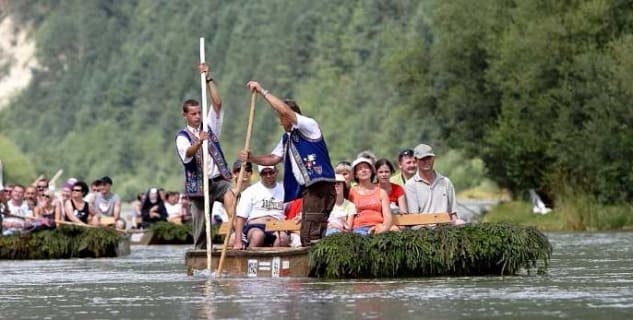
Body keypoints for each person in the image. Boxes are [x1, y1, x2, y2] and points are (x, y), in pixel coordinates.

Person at [240, 81, 336, 247]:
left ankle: (314, 264)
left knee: (311, 232)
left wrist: (262, 91)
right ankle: (312, 263)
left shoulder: (309, 126)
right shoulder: (287, 139)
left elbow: (285, 110)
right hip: (309, 189)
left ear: (289, 116)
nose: (280, 121)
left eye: (281, 118)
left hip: (319, 184)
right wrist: (252, 158)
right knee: (309, 231)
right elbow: (273, 158)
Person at [175, 62, 236, 250]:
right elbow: (187, 154)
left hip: (218, 180)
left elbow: (217, 104)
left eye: (199, 112)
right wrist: (199, 142)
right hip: (199, 186)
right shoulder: (182, 136)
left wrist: (208, 79)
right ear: (185, 115)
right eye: (193, 114)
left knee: (230, 195)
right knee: (201, 225)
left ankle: (238, 236)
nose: (197, 116)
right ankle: (201, 253)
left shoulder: (209, 126)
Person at [404, 144, 463, 224]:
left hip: (446, 227)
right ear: (416, 160)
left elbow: (453, 213)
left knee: (460, 222)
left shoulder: (446, 182)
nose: (426, 161)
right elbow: (414, 217)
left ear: (433, 159)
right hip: (421, 228)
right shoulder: (410, 185)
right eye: (422, 159)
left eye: (428, 158)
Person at [233, 165, 287, 248]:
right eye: (264, 173)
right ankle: (249, 259)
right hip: (256, 226)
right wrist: (237, 241)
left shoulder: (285, 190)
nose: (268, 175)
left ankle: (276, 259)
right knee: (257, 236)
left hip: (277, 226)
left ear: (276, 172)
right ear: (260, 174)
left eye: (271, 172)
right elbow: (241, 218)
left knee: (282, 239)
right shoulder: (250, 191)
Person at [348, 158, 393, 235]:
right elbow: (349, 215)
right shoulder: (351, 192)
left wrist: (383, 229)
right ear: (355, 174)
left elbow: (388, 217)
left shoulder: (381, 192)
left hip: (378, 227)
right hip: (359, 229)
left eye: (366, 167)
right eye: (359, 169)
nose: (363, 170)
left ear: (371, 171)